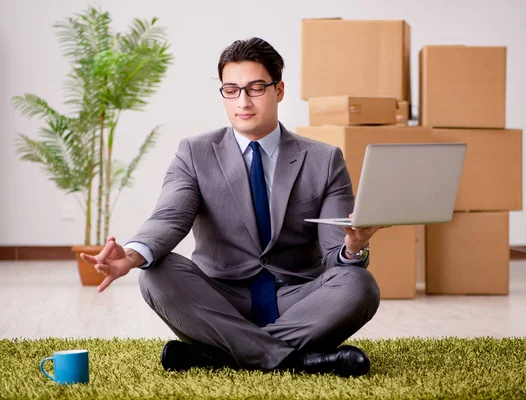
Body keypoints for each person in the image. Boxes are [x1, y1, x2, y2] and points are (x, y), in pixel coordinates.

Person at [81, 37, 383, 378]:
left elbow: (334, 256)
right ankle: (295, 361)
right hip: (221, 300)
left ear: (278, 90)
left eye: (255, 88)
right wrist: (134, 255)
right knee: (156, 275)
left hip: (297, 299)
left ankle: (220, 355)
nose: (243, 101)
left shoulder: (324, 160)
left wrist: (354, 247)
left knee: (359, 285)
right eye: (231, 89)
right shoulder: (194, 153)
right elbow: (170, 215)